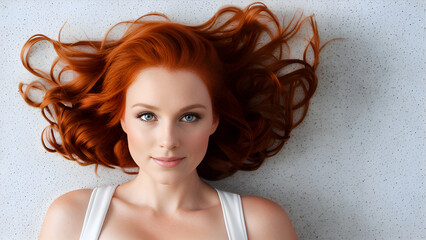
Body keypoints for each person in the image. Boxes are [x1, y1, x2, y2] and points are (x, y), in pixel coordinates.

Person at [20, 2, 327, 239]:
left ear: (215, 120)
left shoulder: (259, 225)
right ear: (122, 118)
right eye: (147, 116)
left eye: (189, 116)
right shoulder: (73, 218)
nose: (168, 139)